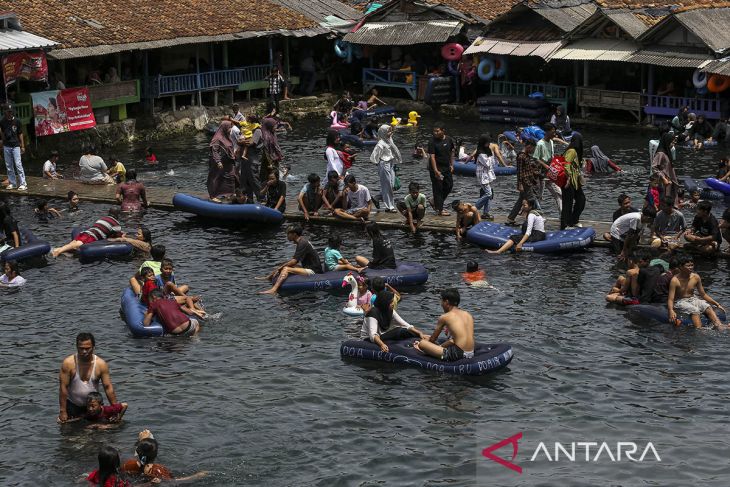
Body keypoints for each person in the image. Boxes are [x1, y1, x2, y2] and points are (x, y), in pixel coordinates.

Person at [58, 332, 117, 422]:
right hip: (73, 406)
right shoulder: (68, 363)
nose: (84, 352)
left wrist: (115, 409)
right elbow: (63, 388)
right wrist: (63, 411)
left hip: (94, 406)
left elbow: (108, 387)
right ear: (77, 347)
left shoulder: (101, 364)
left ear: (93, 347)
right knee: (70, 433)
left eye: (87, 348)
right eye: (81, 349)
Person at [414, 288, 475, 362]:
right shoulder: (468, 315)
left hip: (458, 355)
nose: (441, 304)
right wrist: (439, 346)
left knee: (422, 344)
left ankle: (421, 349)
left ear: (446, 302)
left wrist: (424, 343)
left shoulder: (445, 317)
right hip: (471, 353)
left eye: (441, 301)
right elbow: (454, 340)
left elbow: (433, 339)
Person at [360, 286, 427, 353]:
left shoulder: (389, 311)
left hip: (380, 335)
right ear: (384, 303)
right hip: (368, 339)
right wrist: (382, 345)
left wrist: (420, 333)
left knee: (405, 330)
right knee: (399, 331)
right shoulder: (373, 313)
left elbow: (405, 325)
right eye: (391, 302)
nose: (393, 304)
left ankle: (423, 340)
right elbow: (373, 335)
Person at [668, 254, 725, 329]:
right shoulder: (675, 280)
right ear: (681, 267)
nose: (691, 267)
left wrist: (717, 304)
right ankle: (699, 329)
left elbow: (703, 294)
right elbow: (671, 299)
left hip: (693, 299)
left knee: (707, 306)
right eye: (688, 266)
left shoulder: (696, 277)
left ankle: (719, 326)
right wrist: (671, 310)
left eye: (692, 265)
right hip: (680, 301)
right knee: (695, 310)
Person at [261, 225, 323, 294]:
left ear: (294, 234)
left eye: (288, 233)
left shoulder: (302, 243)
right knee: (285, 263)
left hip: (314, 271)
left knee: (286, 268)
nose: (287, 235)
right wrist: (281, 266)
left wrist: (281, 268)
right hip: (308, 267)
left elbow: (294, 262)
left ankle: (274, 290)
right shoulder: (302, 241)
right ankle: (269, 277)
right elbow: (294, 261)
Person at [51, 207, 123, 257]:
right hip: (92, 236)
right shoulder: (116, 223)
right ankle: (58, 251)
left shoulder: (103, 218)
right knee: (76, 245)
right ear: (118, 215)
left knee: (73, 243)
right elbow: (118, 236)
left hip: (87, 232)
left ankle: (58, 249)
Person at [506, 139, 540, 226]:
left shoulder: (527, 156)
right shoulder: (521, 156)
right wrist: (520, 184)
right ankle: (536, 218)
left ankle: (510, 218)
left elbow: (528, 169)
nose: (533, 151)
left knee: (521, 200)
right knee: (532, 200)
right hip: (525, 182)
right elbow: (519, 171)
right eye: (533, 148)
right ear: (529, 146)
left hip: (529, 181)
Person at [473, 133, 506, 220]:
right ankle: (474, 208)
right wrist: (492, 157)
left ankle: (486, 213)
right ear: (483, 142)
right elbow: (488, 164)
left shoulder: (487, 150)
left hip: (488, 175)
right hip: (483, 175)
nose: (489, 144)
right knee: (489, 193)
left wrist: (491, 157)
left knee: (487, 193)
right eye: (488, 142)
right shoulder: (480, 153)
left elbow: (494, 163)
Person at [370, 124, 401, 212]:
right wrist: (379, 163)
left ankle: (378, 198)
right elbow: (374, 157)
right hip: (384, 164)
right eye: (389, 131)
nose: (391, 133)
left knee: (391, 184)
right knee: (387, 185)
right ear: (383, 133)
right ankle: (390, 207)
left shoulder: (389, 140)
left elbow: (394, 150)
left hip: (391, 163)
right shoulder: (381, 144)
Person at [533, 123, 562, 212]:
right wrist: (545, 165)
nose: (555, 134)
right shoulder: (540, 144)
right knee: (539, 196)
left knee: (559, 194)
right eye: (553, 132)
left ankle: (563, 215)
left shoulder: (552, 142)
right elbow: (535, 158)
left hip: (551, 173)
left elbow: (552, 156)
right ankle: (536, 214)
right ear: (547, 132)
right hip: (541, 174)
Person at [560, 131, 586, 229]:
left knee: (581, 200)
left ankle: (573, 220)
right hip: (568, 181)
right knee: (567, 203)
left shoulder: (575, 152)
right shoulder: (572, 151)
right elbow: (566, 164)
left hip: (575, 182)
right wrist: (569, 178)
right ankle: (565, 224)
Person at [427, 125, 455, 216]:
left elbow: (451, 152)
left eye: (437, 131)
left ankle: (434, 201)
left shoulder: (449, 139)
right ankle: (440, 210)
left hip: (446, 167)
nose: (435, 133)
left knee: (449, 185)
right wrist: (435, 170)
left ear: (443, 131)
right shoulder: (432, 141)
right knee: (438, 188)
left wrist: (451, 164)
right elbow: (432, 156)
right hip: (436, 168)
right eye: (434, 131)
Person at [207, 121, 237, 201]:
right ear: (224, 127)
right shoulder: (217, 138)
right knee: (215, 177)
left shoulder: (227, 136)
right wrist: (218, 161)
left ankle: (228, 194)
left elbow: (230, 147)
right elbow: (214, 150)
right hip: (218, 162)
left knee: (230, 176)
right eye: (229, 127)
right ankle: (213, 196)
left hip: (228, 161)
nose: (231, 129)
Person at [0, 104, 27, 191]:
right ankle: (13, 183)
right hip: (7, 146)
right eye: (8, 111)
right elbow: (2, 132)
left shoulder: (17, 121)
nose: (10, 113)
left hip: (16, 145)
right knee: (9, 165)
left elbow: (20, 133)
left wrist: (22, 146)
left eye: (11, 111)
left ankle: (23, 183)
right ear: (5, 112)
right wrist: (3, 142)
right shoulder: (2, 121)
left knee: (18, 164)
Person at [652, 132, 679, 205]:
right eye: (672, 142)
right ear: (667, 141)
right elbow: (654, 167)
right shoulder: (660, 153)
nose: (673, 144)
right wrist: (663, 178)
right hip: (664, 182)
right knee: (663, 200)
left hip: (668, 181)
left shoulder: (667, 152)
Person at [259, 117, 283, 183]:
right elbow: (266, 150)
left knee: (274, 176)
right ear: (269, 126)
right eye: (274, 125)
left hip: (274, 158)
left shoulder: (272, 133)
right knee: (270, 177)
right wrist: (270, 163)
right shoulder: (266, 137)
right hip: (269, 160)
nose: (275, 127)